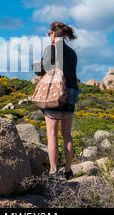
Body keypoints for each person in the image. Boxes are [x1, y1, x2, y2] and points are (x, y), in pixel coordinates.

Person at [33, 22, 80, 180]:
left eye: (49, 33)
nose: (48, 36)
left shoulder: (51, 49)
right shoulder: (72, 53)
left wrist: (35, 66)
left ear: (54, 34)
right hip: (71, 93)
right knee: (67, 134)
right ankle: (68, 170)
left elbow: (43, 69)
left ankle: (53, 171)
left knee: (51, 134)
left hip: (55, 93)